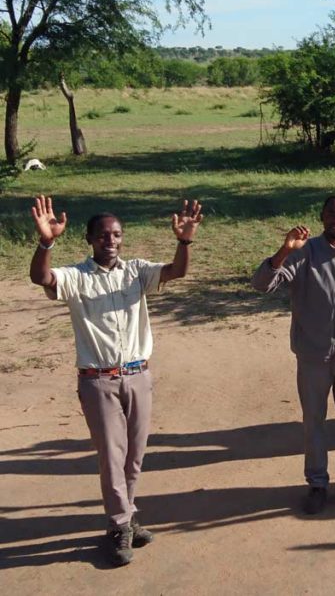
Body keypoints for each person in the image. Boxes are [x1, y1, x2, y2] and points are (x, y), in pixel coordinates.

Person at [28, 195, 203, 567]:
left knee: (134, 458)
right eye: (103, 235)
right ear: (90, 240)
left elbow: (177, 272)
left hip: (138, 375)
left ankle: (127, 514)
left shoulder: (136, 271)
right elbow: (41, 277)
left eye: (117, 234)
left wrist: (184, 242)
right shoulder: (76, 277)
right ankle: (119, 525)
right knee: (112, 457)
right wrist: (46, 242)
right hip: (98, 380)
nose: (111, 240)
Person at [252, 195, 335, 514]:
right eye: (332, 215)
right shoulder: (303, 253)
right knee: (314, 423)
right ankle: (317, 484)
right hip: (313, 357)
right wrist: (284, 251)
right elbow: (261, 284)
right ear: (322, 217)